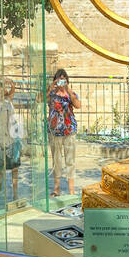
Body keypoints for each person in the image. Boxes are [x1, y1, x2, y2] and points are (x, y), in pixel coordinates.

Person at [46, 68, 81, 197]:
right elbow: (39, 99)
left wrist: (68, 90)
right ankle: (57, 189)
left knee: (70, 160)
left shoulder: (70, 94)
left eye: (63, 79)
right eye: (59, 79)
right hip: (54, 131)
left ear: (67, 80)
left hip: (69, 130)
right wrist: (51, 87)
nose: (61, 82)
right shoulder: (51, 94)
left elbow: (78, 105)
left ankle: (71, 189)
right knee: (56, 161)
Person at [0, 77, 22, 205]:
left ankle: (15, 195)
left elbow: (13, 90)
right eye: (1, 86)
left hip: (12, 139)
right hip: (1, 142)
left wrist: (11, 82)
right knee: (0, 171)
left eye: (4, 86)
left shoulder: (8, 100)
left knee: (14, 169)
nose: (4, 88)